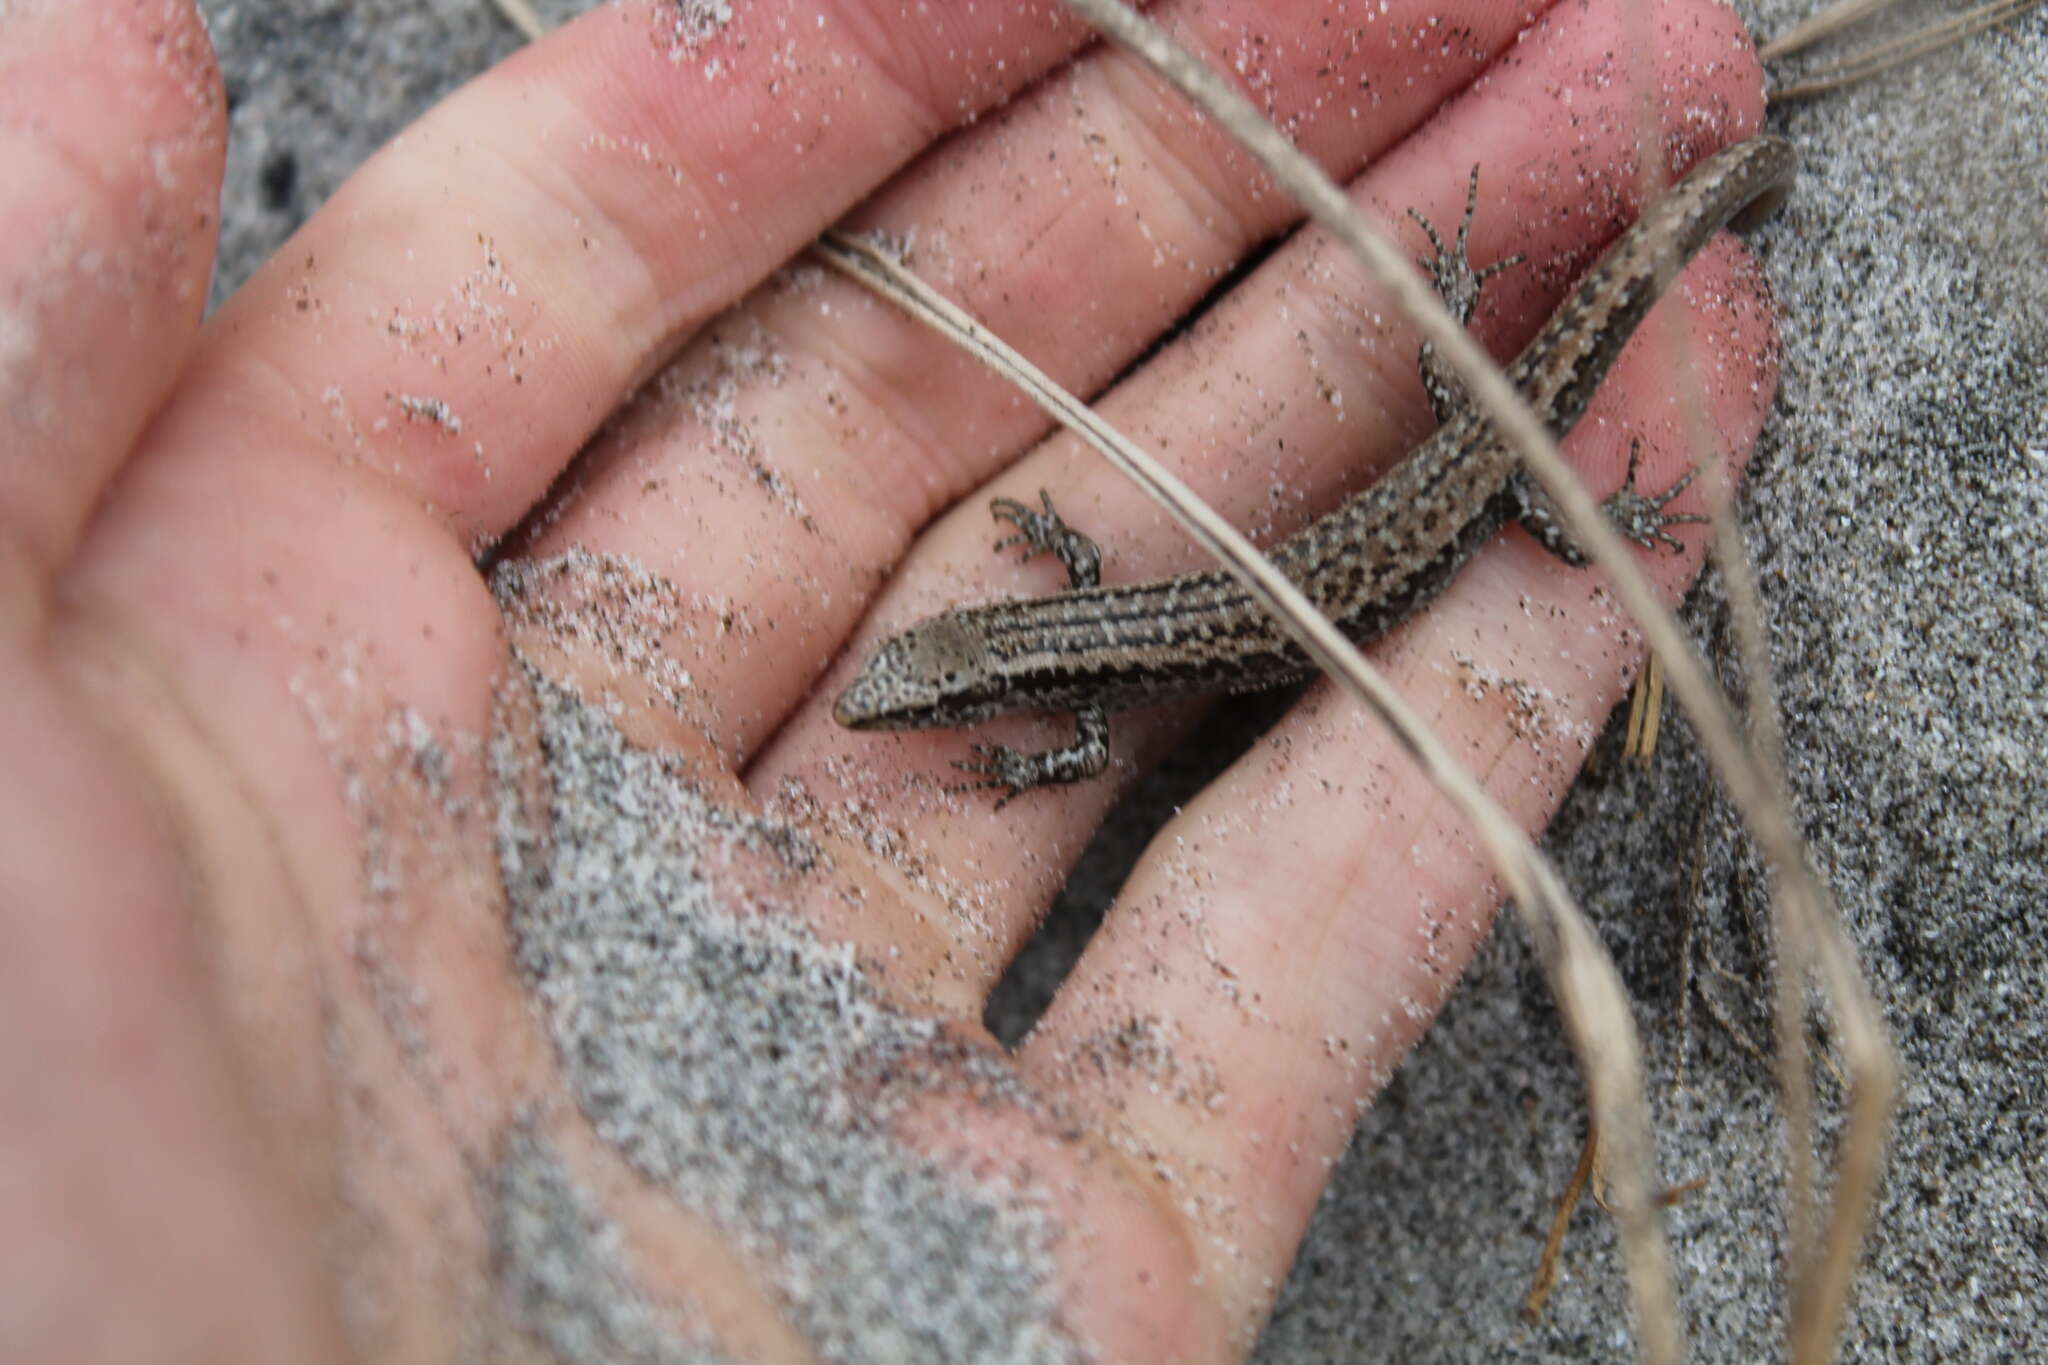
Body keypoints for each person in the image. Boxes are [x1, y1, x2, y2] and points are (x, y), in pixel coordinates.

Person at [0, 0, 1776, 1358]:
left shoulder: (1064, 694)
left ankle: (1666, 291)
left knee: (1539, 476)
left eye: (922, 694)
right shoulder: (1065, 636)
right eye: (932, 694)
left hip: (1439, 518)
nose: (908, 704)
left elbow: (1087, 717)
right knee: (1500, 430)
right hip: (1394, 516)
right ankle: (1592, 336)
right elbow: (1084, 664)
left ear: (961, 687)